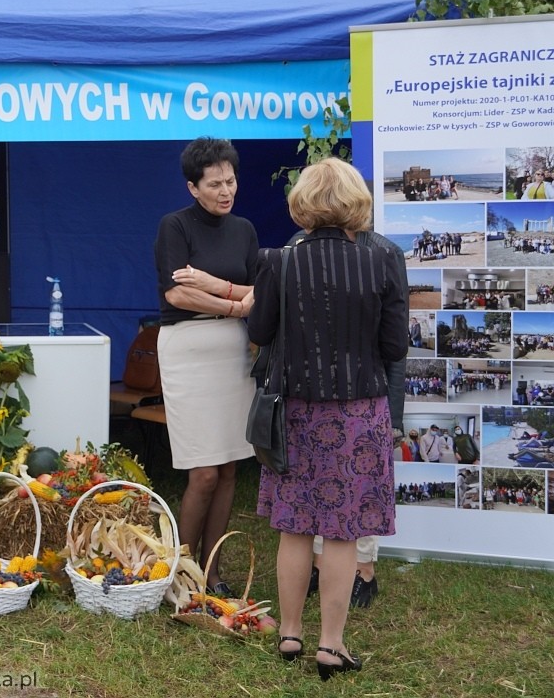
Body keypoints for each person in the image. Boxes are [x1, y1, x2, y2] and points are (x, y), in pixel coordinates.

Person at [248, 157, 407, 680]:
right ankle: (330, 646)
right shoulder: (385, 261)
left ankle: (290, 634)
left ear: (302, 204)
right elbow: (393, 345)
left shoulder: (278, 260)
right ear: (356, 202)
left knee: (294, 528)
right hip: (359, 410)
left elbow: (262, 331)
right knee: (341, 532)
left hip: (293, 410)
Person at [154, 136, 257, 596]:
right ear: (192, 187)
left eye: (230, 181)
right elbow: (177, 294)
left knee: (231, 467)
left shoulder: (245, 230)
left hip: (234, 352)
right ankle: (180, 568)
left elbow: (260, 295)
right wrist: (235, 303)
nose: (224, 190)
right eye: (213, 183)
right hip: (189, 348)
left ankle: (212, 571)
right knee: (204, 471)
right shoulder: (174, 227)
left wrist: (220, 292)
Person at [299, 226, 408, 610]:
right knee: (316, 485)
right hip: (313, 395)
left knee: (359, 489)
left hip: (365, 392)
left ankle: (364, 572)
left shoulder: (384, 253)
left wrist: (394, 414)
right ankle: (317, 566)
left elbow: (395, 349)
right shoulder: (299, 247)